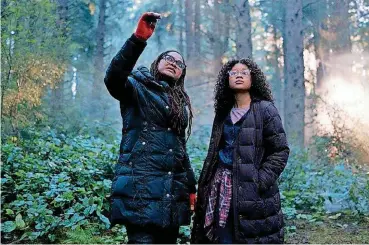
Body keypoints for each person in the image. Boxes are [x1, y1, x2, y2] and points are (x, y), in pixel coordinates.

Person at [104, 12, 197, 244]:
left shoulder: (179, 105)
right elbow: (113, 78)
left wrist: (191, 187)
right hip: (140, 193)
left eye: (179, 63)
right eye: (169, 59)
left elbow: (179, 150)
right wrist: (138, 39)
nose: (174, 64)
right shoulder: (137, 87)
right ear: (158, 62)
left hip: (170, 196)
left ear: (182, 73)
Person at [191, 59, 290, 244]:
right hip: (221, 185)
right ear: (226, 79)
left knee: (250, 237)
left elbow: (280, 150)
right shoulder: (223, 112)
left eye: (244, 72)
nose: (238, 75)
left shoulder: (265, 110)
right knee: (222, 236)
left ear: (253, 79)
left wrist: (259, 181)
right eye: (233, 72)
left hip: (252, 191)